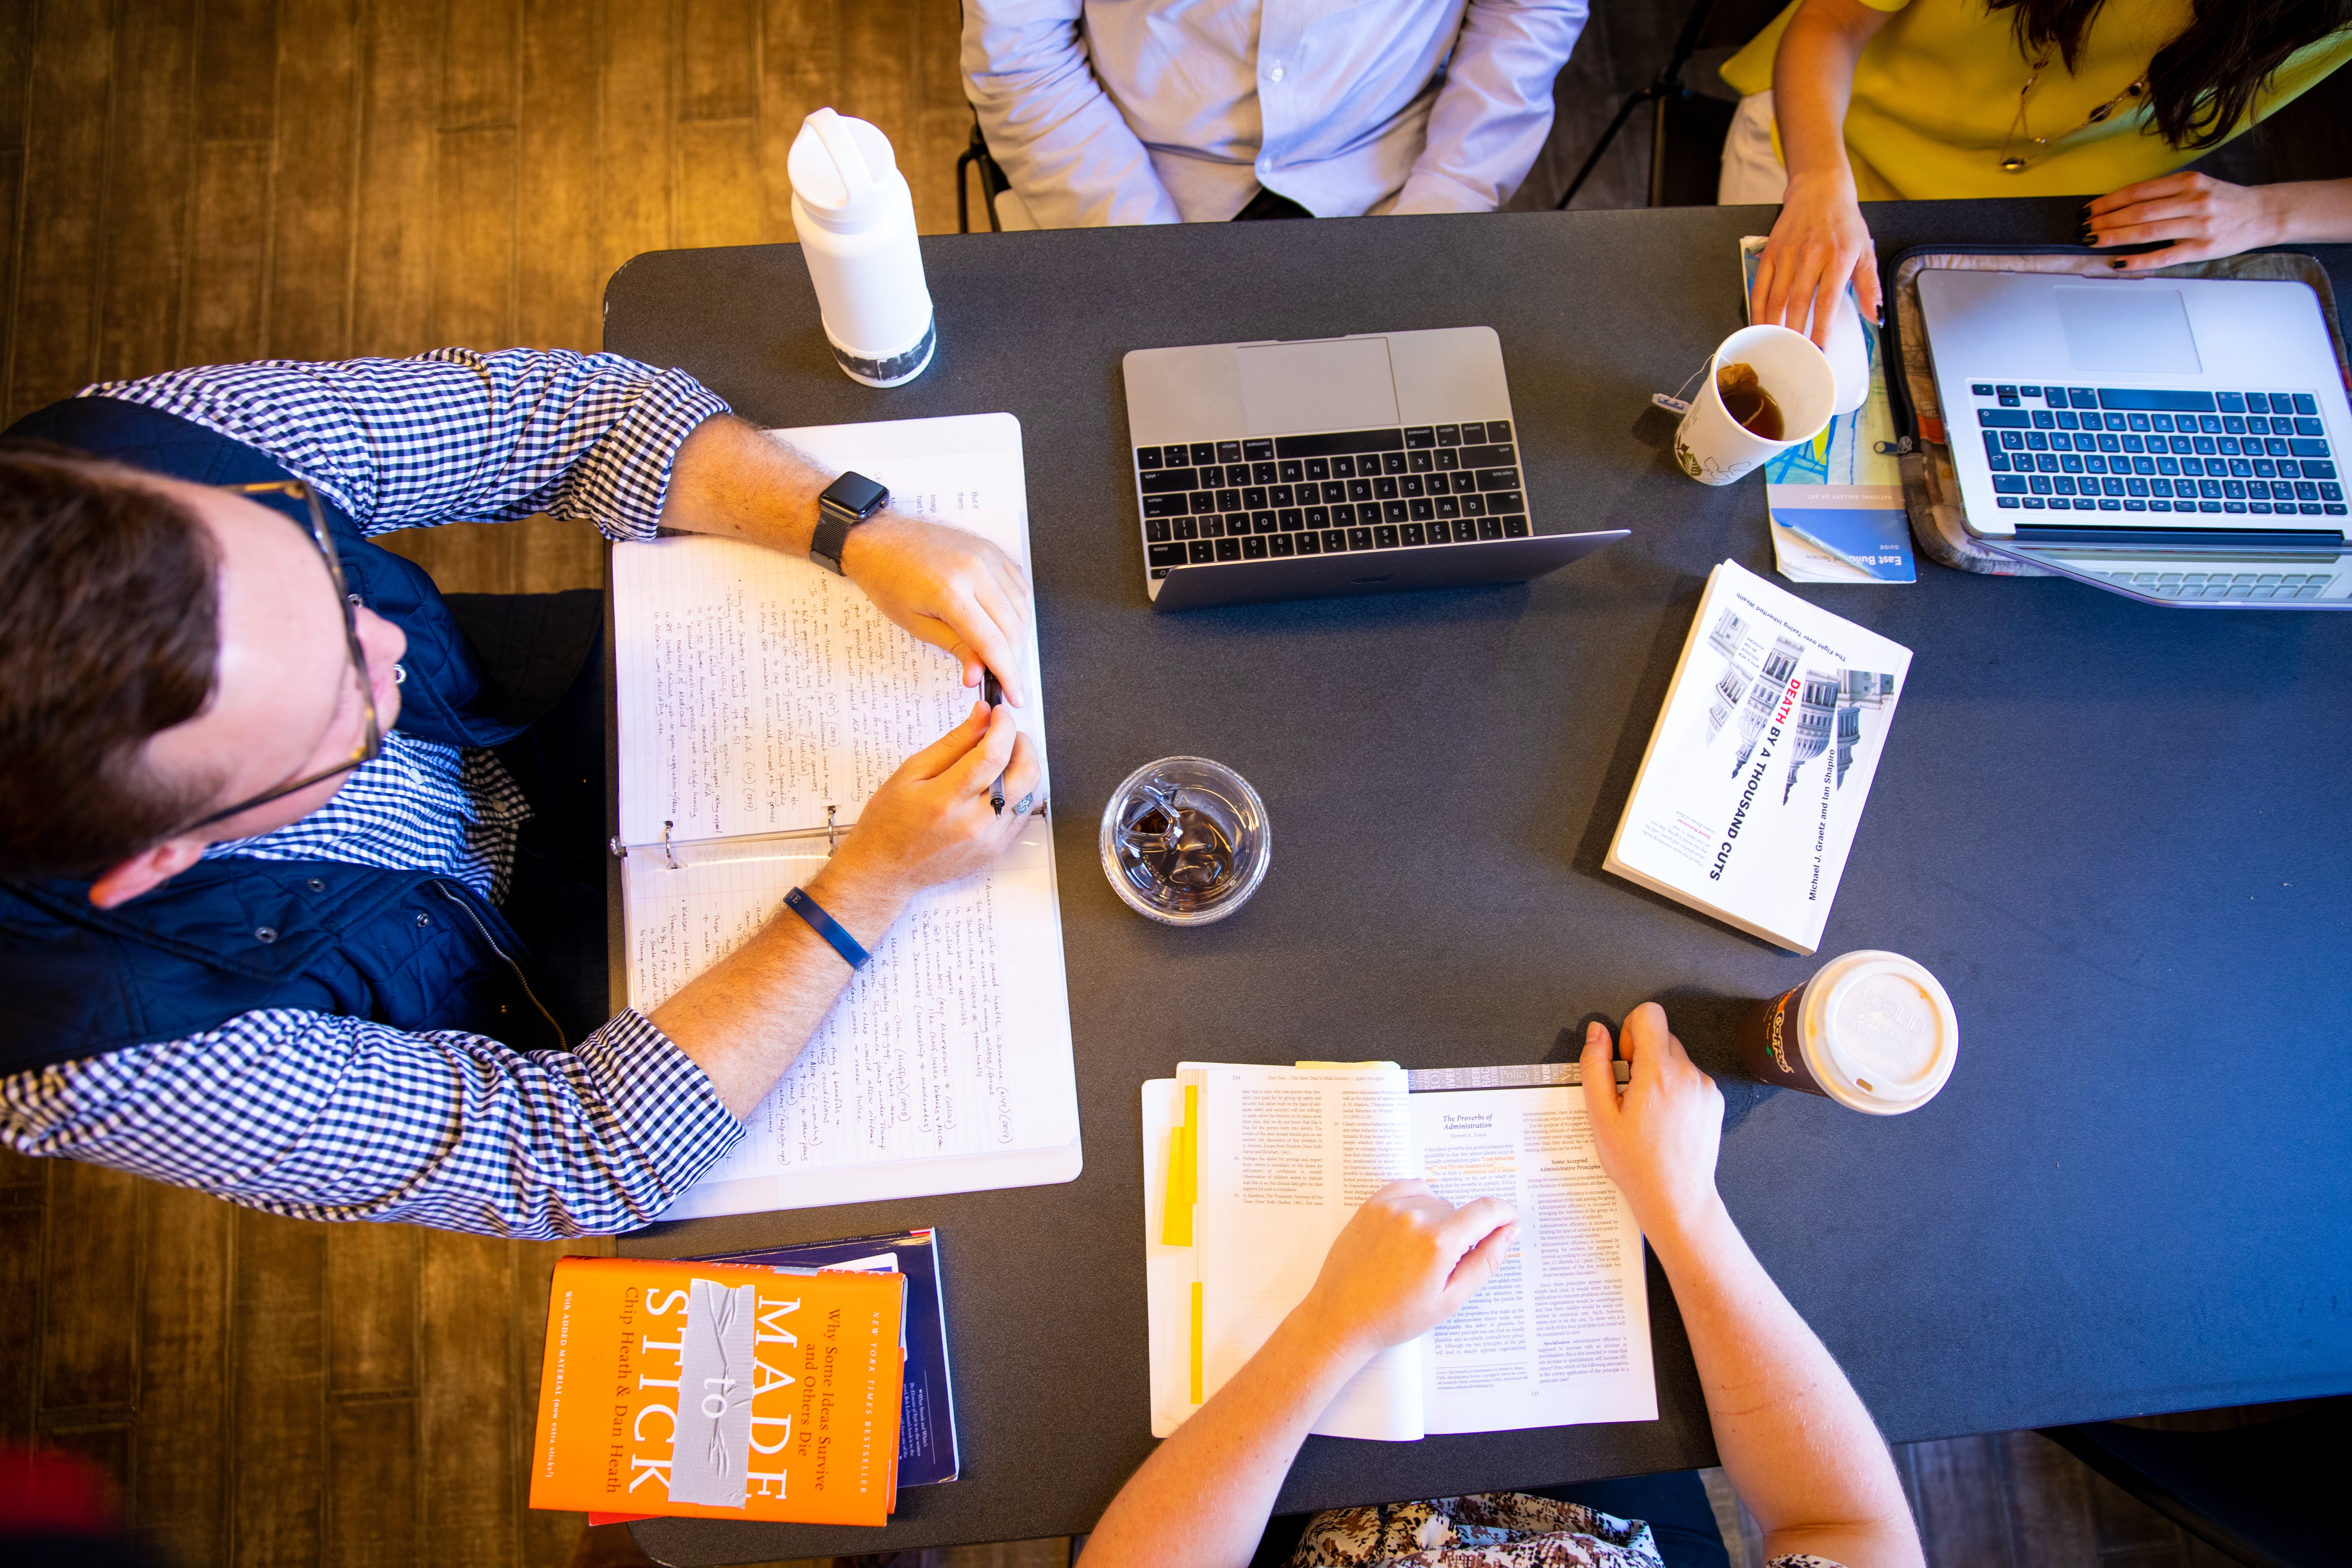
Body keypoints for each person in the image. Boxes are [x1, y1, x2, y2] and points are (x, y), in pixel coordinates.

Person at [0, 350, 1043, 1238]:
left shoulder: (135, 452)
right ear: (158, 860)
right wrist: (867, 887)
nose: (390, 638)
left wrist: (850, 531)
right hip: (537, 979)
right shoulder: (119, 1052)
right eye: (339, 710)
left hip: (517, 705)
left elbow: (583, 416)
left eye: (326, 573)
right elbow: (573, 1155)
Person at [1081, 1003, 1925, 1568]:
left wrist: (1329, 1328)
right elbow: (1849, 1529)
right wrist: (1685, 1206)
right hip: (1607, 1525)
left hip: (1304, 1524)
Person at [1726, 0, 2352, 346]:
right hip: (1827, 146)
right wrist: (1817, 179)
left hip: (2040, 225)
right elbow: (1830, 22)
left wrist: (2271, 213)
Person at [962, 0, 1591, 228]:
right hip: (1133, 178)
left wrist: (1444, 204)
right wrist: (1144, 256)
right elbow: (1022, 55)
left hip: (1391, 183)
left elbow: (1528, 9)